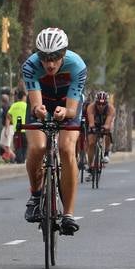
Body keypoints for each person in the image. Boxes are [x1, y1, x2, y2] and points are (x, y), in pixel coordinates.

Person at [21, 27, 87, 235]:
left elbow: (72, 109)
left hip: (67, 105)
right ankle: (36, 194)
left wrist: (65, 112)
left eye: (56, 57)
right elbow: (36, 105)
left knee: (67, 149)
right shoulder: (30, 66)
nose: (50, 64)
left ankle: (68, 214)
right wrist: (39, 110)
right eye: (45, 57)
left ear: (64, 53)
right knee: (38, 147)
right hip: (42, 103)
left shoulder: (77, 66)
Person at [86, 91, 114, 168]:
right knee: (91, 143)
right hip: (95, 124)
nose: (101, 106)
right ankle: (90, 165)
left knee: (108, 131)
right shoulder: (91, 107)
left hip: (105, 124)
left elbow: (108, 123)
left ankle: (106, 153)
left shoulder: (110, 108)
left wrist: (105, 127)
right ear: (96, 102)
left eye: (103, 104)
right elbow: (91, 122)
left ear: (106, 103)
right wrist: (92, 127)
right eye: (98, 104)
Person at [7, 88, 28, 164]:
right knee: (25, 146)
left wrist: (13, 121)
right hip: (26, 129)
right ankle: (23, 160)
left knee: (18, 146)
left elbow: (8, 115)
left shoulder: (13, 105)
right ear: (23, 97)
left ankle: (19, 160)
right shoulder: (26, 106)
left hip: (17, 129)